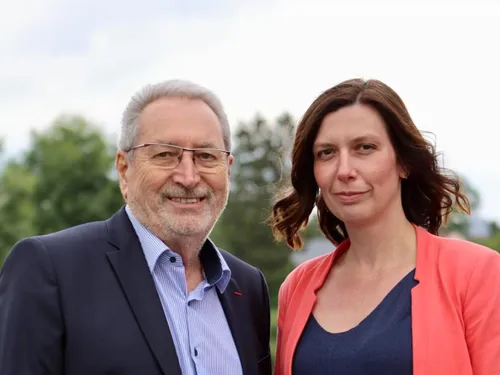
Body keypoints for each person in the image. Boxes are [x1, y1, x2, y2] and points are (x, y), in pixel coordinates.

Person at [0, 79, 272, 375]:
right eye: (165, 154)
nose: (188, 176)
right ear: (124, 169)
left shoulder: (247, 287)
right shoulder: (49, 270)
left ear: (228, 170)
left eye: (206, 156)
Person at [268, 78, 500, 375]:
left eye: (365, 147)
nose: (345, 170)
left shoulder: (478, 275)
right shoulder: (296, 288)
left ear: (403, 162)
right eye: (326, 152)